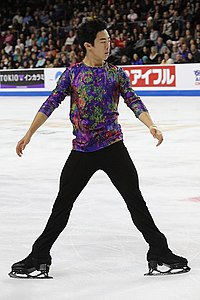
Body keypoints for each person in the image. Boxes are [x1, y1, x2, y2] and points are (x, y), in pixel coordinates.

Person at [9, 18, 190, 279]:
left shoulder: (116, 73)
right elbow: (50, 103)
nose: (108, 45)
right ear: (87, 45)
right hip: (82, 151)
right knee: (62, 206)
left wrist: (151, 125)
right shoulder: (72, 75)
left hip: (113, 147)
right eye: (103, 41)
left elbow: (133, 100)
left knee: (136, 203)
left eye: (108, 40)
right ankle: (39, 256)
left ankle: (160, 253)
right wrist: (28, 134)